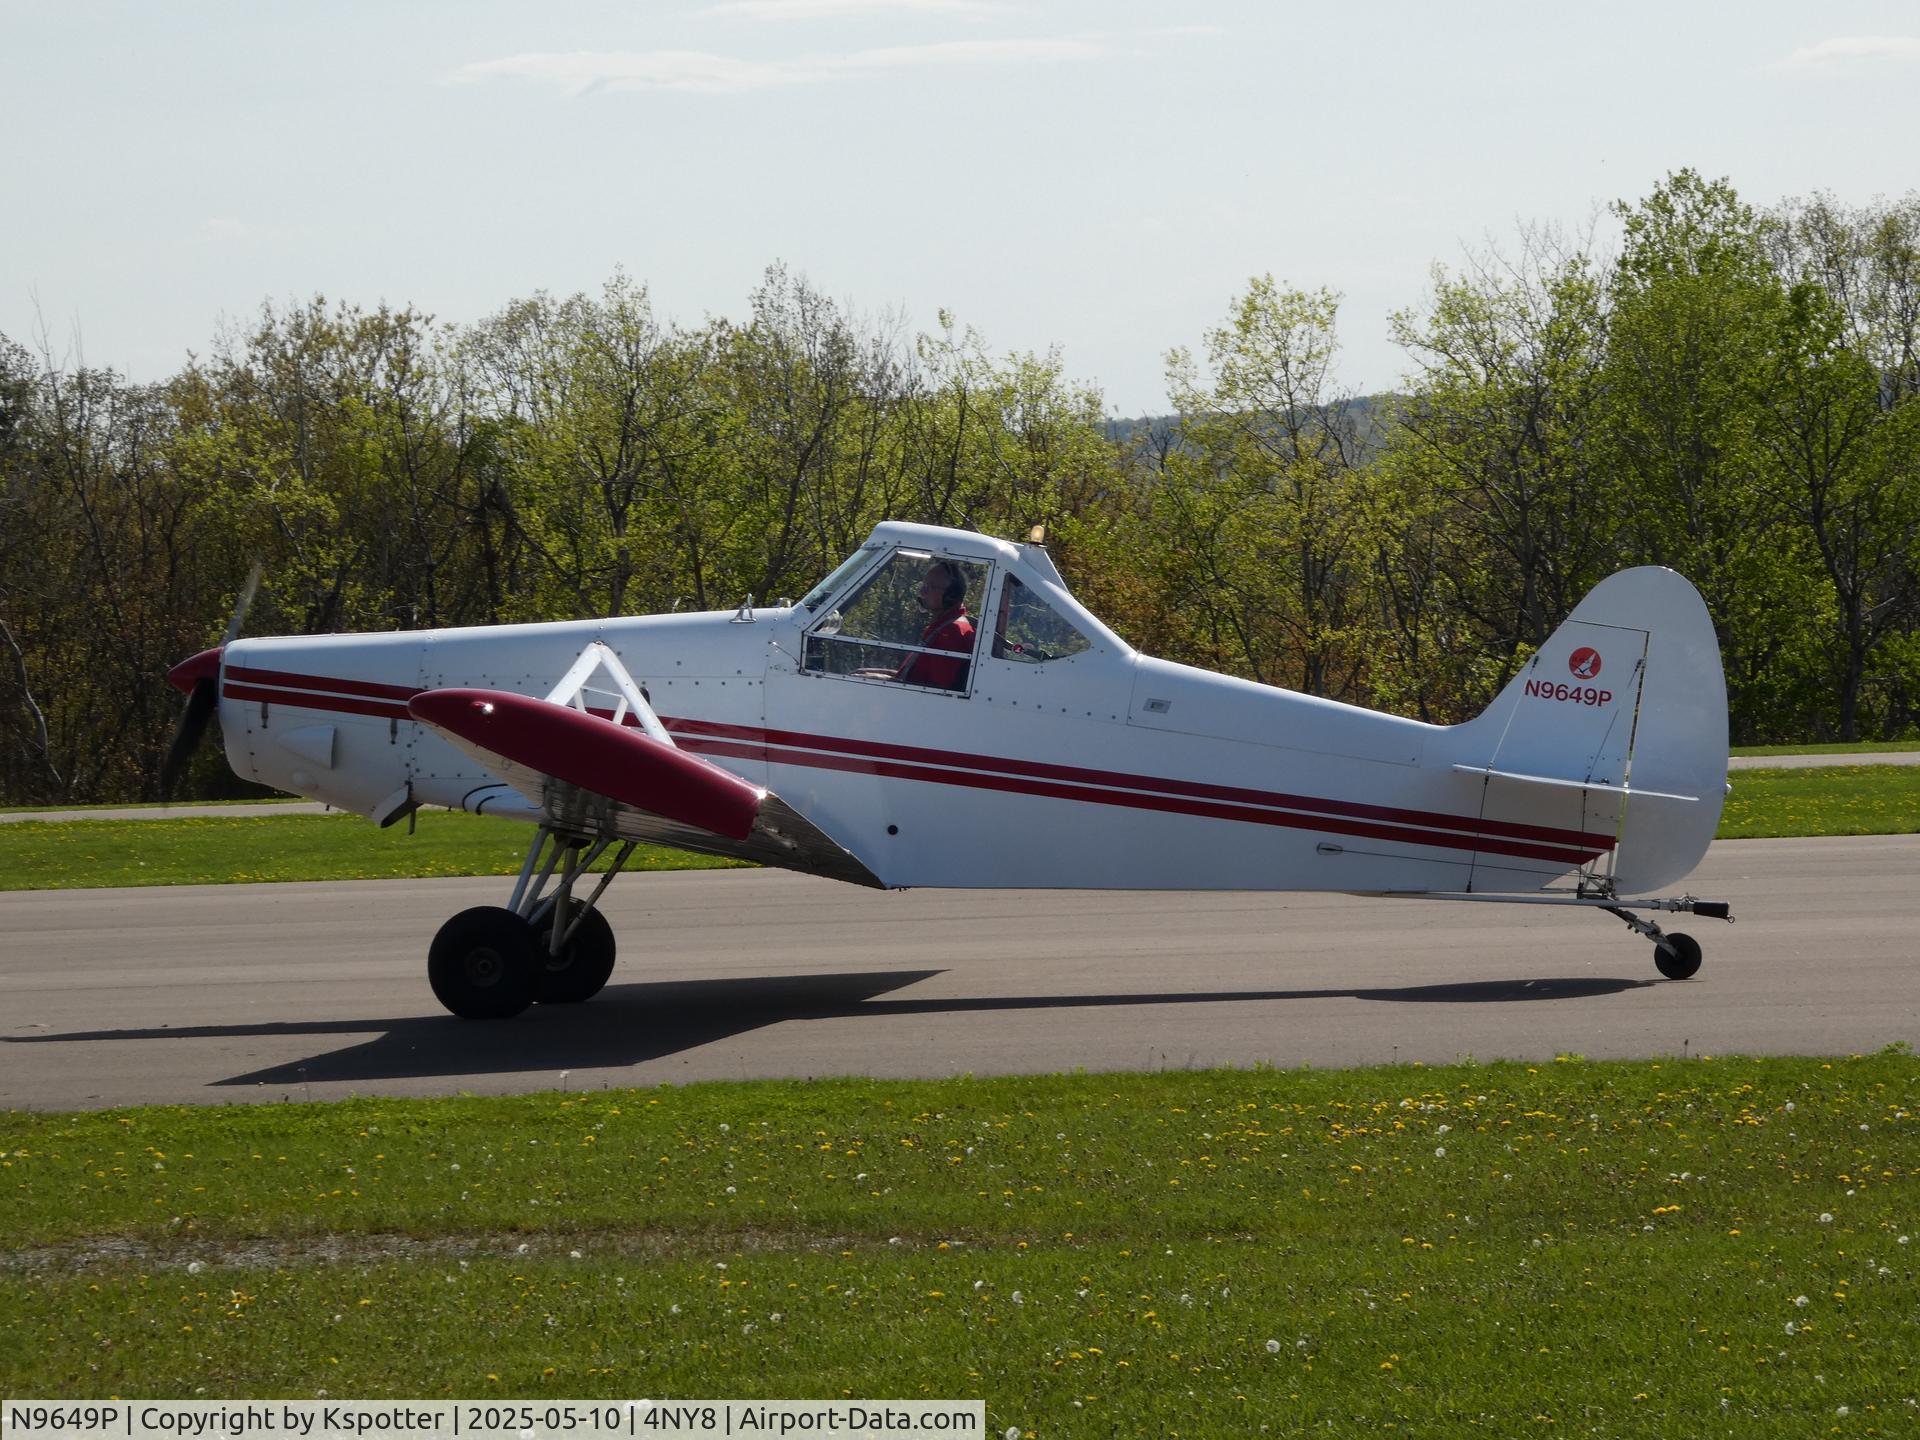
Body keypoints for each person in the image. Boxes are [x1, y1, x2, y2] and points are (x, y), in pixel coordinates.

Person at [896, 559, 974, 690]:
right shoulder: (942, 626)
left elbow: (934, 689)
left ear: (951, 594)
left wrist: (883, 679)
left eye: (930, 587)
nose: (922, 592)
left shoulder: (951, 632)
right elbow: (913, 678)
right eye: (923, 586)